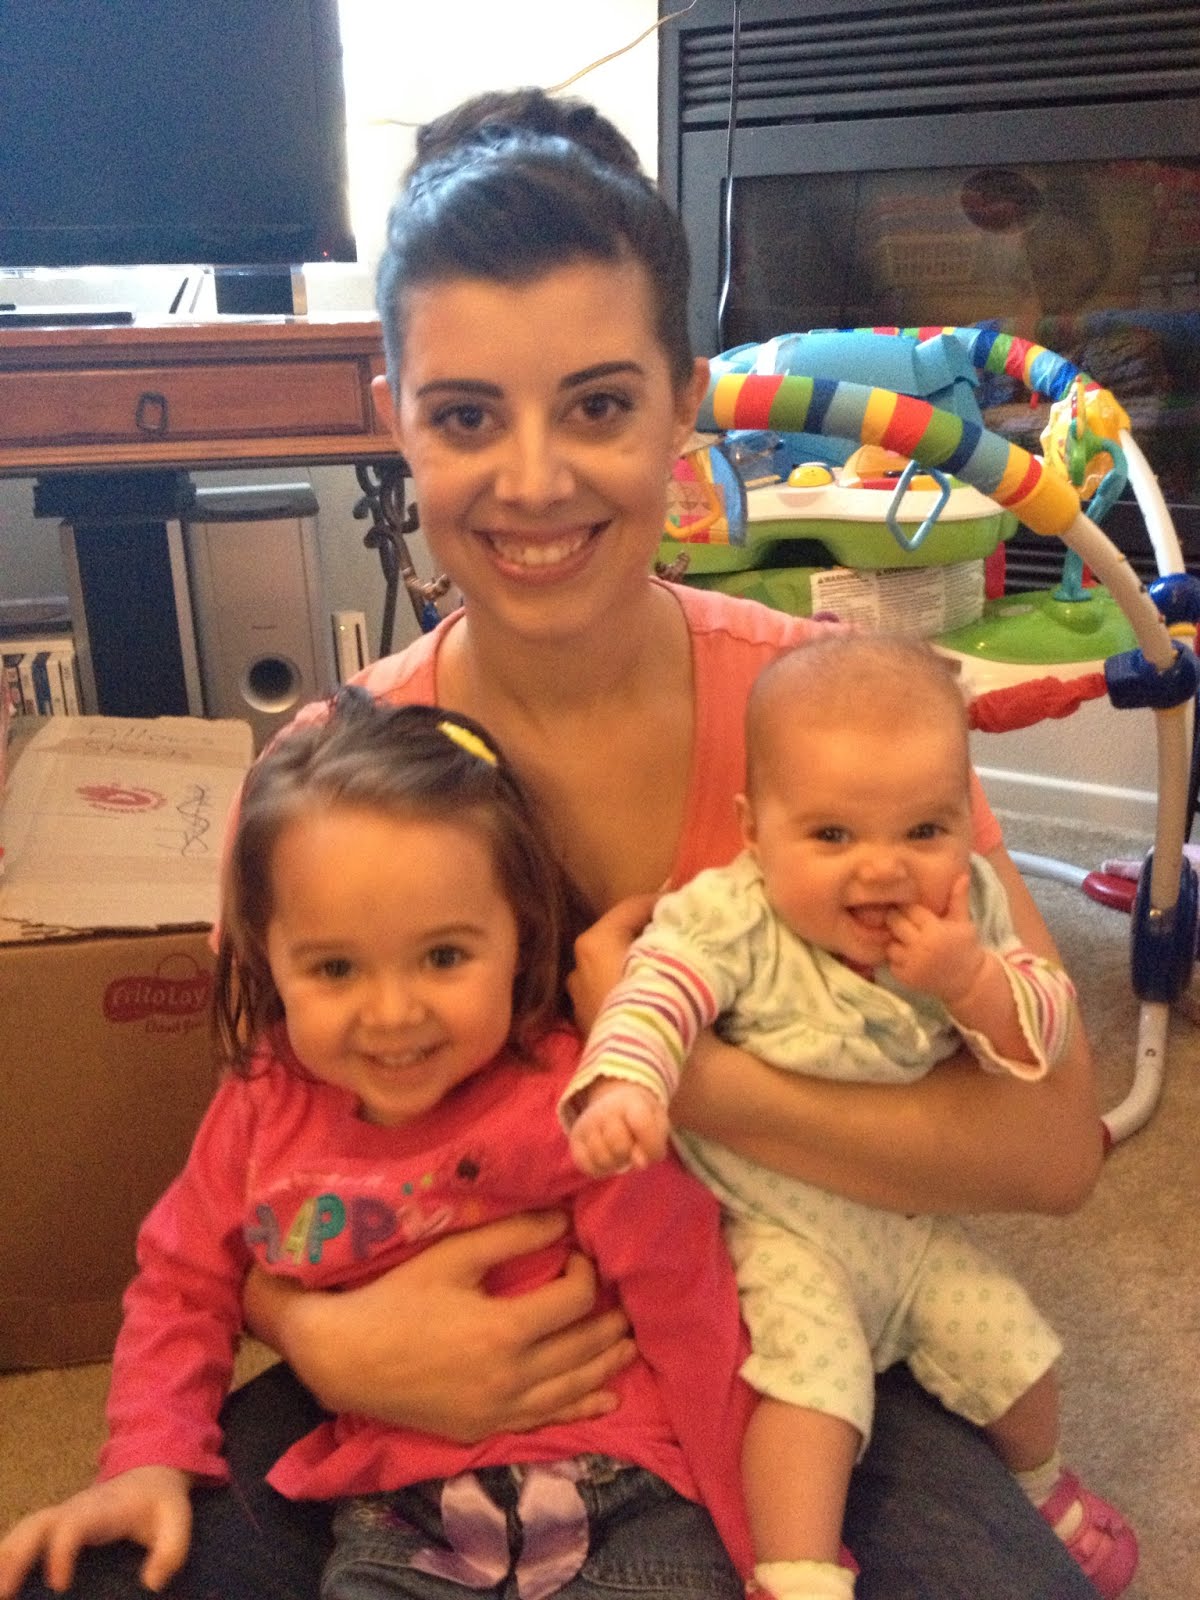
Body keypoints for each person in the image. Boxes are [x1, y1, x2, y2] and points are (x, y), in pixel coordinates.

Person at [8, 86, 1108, 1600]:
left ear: (681, 405)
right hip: (410, 1377)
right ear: (392, 411)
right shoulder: (325, 784)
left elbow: (1052, 1148)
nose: (532, 481)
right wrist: (323, 1331)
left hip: (800, 1339)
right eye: (467, 416)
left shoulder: (839, 724)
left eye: (597, 405)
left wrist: (681, 1077)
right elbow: (261, 1166)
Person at [0, 693, 754, 1600]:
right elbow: (182, 1283)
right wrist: (144, 1461)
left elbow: (691, 1306)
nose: (393, 1014)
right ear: (266, 956)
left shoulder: (571, 1096)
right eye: (335, 968)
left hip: (627, 1487)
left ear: (520, 937)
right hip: (403, 1518)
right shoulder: (262, 1105)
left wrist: (770, 1554)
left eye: (443, 957)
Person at [562, 634, 1138, 1600]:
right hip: (782, 1232)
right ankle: (795, 1574)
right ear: (755, 832)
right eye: (832, 836)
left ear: (963, 826)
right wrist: (628, 1085)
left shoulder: (969, 910)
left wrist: (972, 980)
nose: (882, 871)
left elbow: (1046, 1033)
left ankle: (1042, 1488)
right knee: (811, 1396)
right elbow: (654, 990)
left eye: (923, 831)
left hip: (904, 1222)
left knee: (1021, 1354)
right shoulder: (733, 915)